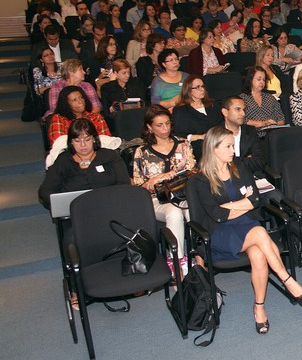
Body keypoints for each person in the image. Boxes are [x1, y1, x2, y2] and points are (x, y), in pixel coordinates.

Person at [192, 126, 302, 334]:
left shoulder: (238, 166)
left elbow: (256, 199)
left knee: (257, 254)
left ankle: (259, 308)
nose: (233, 151)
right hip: (219, 232)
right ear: (214, 149)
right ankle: (287, 280)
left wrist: (232, 206)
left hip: (244, 224)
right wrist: (242, 203)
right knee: (259, 233)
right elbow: (216, 216)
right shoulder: (201, 179)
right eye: (228, 146)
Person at [132, 105, 195, 267]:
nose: (165, 129)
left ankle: (200, 256)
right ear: (149, 127)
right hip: (157, 201)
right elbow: (139, 189)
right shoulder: (142, 152)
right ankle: (178, 262)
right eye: (159, 125)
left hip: (183, 193)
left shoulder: (183, 144)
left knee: (193, 209)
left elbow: (194, 172)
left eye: (167, 123)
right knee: (174, 213)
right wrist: (157, 179)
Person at [39, 119, 130, 209]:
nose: (83, 145)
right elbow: (45, 190)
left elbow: (124, 184)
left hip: (110, 206)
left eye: (87, 140)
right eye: (77, 141)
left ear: (94, 139)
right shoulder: (63, 161)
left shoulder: (109, 156)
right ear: (71, 141)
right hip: (77, 211)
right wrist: (61, 204)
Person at [172, 76, 223, 159]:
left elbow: (221, 123)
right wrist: (200, 137)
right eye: (197, 87)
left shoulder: (212, 105)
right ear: (188, 90)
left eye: (202, 86)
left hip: (217, 140)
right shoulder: (181, 111)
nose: (202, 89)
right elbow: (179, 134)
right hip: (197, 146)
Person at [241, 67, 285, 135]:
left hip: (272, 135)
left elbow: (281, 119)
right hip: (252, 135)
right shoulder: (242, 98)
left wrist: (275, 125)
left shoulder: (270, 98)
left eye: (264, 80)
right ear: (250, 79)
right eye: (259, 79)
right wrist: (259, 123)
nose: (262, 82)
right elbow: (239, 119)